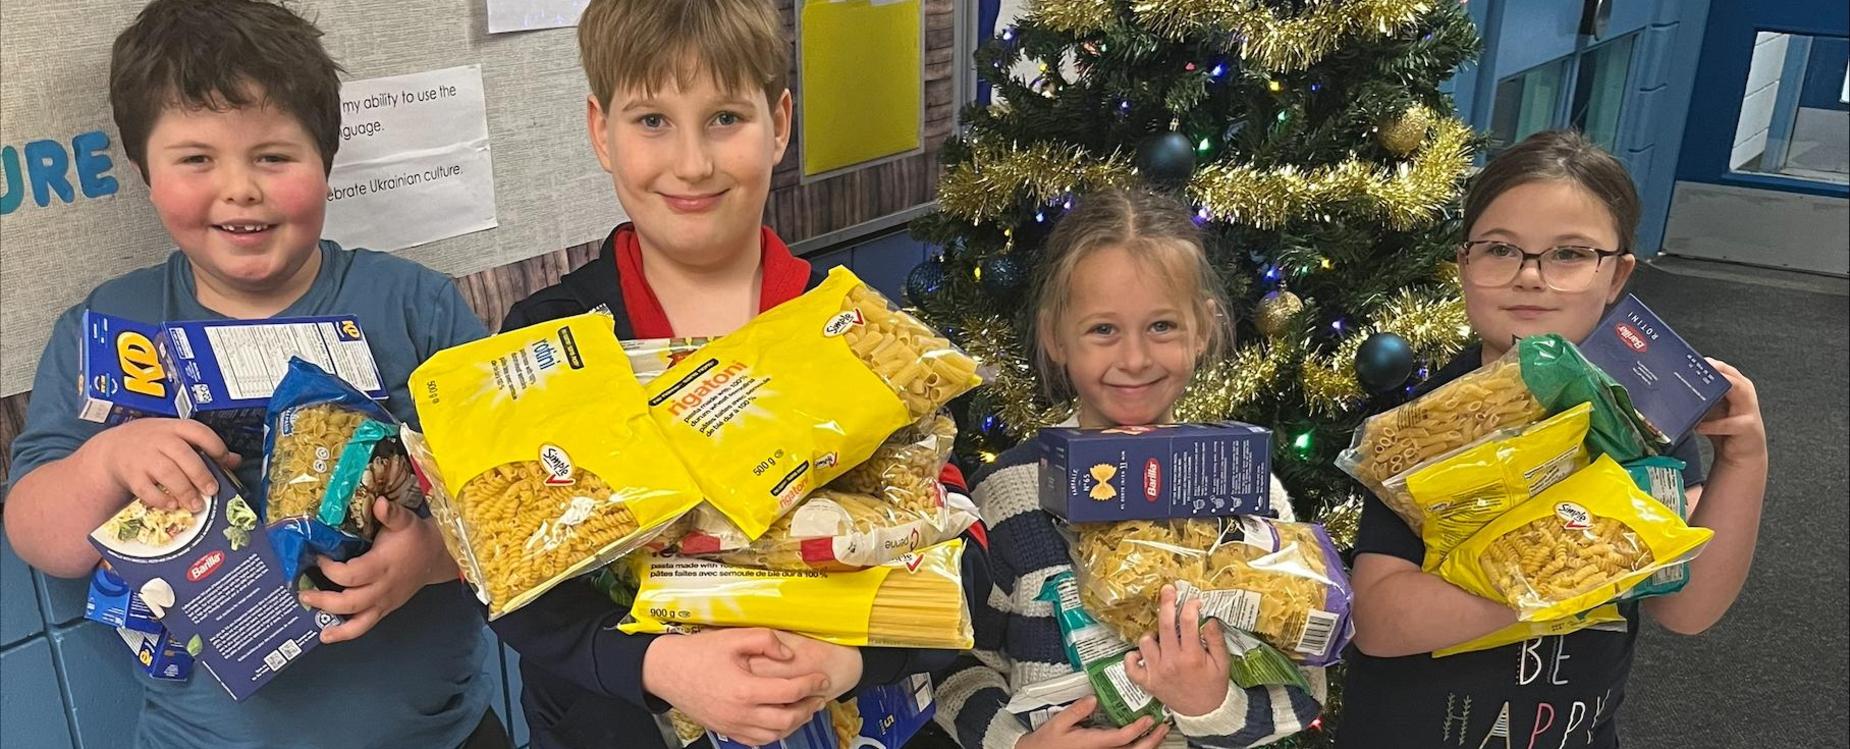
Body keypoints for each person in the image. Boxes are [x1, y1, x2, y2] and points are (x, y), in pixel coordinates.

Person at [3, 1, 504, 747]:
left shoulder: (414, 306)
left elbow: (514, 501)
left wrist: (433, 558)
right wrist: (108, 459)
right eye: (196, 159)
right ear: (144, 171)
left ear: (327, 161)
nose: (240, 189)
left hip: (437, 731)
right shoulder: (110, 328)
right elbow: (38, 532)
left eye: (273, 156)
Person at [487, 1, 988, 746]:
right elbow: (509, 576)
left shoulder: (856, 329)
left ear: (778, 122)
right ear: (601, 131)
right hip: (617, 723)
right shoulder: (547, 341)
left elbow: (961, 551)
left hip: (834, 717)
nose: (692, 162)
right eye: (651, 121)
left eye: (725, 118)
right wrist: (657, 665)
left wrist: (849, 660)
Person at [1340, 129, 1768, 748]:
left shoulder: (1642, 416)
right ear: (1464, 264)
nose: (1531, 277)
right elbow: (1379, 621)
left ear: (1618, 275)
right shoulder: (1428, 424)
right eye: (1500, 249)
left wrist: (1744, 457)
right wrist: (1558, 576)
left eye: (1569, 254)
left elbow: (1688, 605)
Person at [933, 187, 1325, 749]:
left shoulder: (1245, 490)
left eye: (1162, 326)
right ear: (1055, 336)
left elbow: (1305, 684)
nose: (1136, 359)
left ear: (1204, 329)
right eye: (1103, 330)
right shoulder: (1009, 495)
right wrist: (1015, 743)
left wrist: (1214, 705)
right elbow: (952, 660)